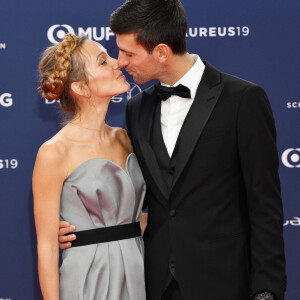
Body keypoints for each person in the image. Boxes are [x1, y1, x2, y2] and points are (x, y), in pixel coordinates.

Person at [59, 1, 286, 299]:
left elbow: (264, 205)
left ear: (162, 52)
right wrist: (85, 231)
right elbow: (148, 200)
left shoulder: (243, 100)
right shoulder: (136, 108)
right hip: (154, 282)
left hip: (225, 282)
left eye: (129, 53)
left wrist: (266, 290)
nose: (120, 62)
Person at [33, 33, 146, 300]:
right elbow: (47, 247)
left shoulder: (125, 138)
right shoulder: (54, 153)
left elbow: (134, 218)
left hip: (139, 271)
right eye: (104, 61)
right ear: (81, 88)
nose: (118, 63)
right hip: (88, 279)